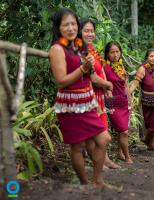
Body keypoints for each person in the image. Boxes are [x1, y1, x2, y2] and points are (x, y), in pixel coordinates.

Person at [48, 8, 111, 187]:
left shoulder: (77, 45)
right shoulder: (57, 49)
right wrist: (82, 69)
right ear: (58, 28)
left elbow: (87, 76)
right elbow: (61, 81)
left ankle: (97, 180)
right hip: (69, 104)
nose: (70, 28)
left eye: (73, 24)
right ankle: (85, 184)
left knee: (104, 139)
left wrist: (88, 67)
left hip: (87, 102)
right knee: (78, 146)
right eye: (65, 24)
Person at [79, 18, 120, 169]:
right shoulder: (81, 50)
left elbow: (100, 71)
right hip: (89, 94)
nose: (90, 33)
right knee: (94, 131)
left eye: (91, 31)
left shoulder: (92, 49)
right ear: (79, 32)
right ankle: (98, 161)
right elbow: (91, 77)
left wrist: (106, 88)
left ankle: (105, 159)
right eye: (86, 30)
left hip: (99, 95)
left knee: (103, 126)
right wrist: (108, 84)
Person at [129, 48, 154, 151]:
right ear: (147, 57)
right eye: (151, 56)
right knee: (151, 124)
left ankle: (150, 143)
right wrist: (128, 93)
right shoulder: (143, 69)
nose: (153, 58)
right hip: (148, 101)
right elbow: (135, 82)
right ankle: (147, 141)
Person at [103, 41, 133, 164]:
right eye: (112, 52)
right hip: (111, 102)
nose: (115, 55)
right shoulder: (105, 68)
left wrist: (130, 101)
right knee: (123, 130)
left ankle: (120, 152)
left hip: (123, 102)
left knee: (123, 130)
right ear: (107, 54)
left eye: (117, 52)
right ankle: (127, 156)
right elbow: (102, 84)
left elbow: (125, 85)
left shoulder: (121, 67)